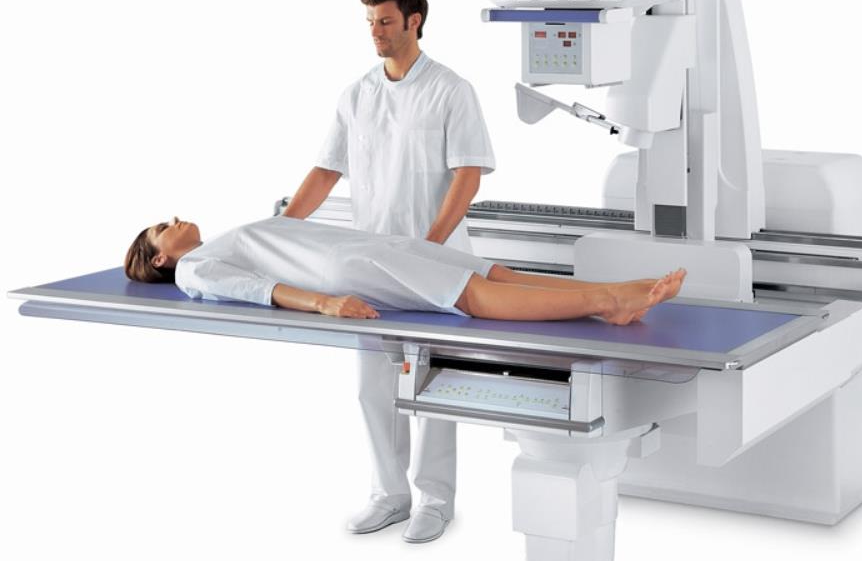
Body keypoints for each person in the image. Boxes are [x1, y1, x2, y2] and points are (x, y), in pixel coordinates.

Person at [280, 0, 497, 543]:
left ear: (414, 21)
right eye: (371, 23)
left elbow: (467, 175)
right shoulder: (356, 95)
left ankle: (436, 500)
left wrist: (430, 245)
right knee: (373, 386)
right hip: (370, 265)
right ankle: (389, 494)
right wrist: (279, 231)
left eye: (385, 21)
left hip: (433, 263)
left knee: (432, 385)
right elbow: (326, 170)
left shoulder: (450, 90)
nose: (375, 32)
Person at [123, 215, 686, 325]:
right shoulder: (193, 270)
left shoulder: (218, 242)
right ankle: (607, 301)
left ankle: (619, 293)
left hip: (365, 244)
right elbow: (258, 289)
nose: (174, 218)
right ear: (160, 259)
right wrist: (325, 304)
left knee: (494, 273)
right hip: (345, 268)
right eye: (161, 228)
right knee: (471, 295)